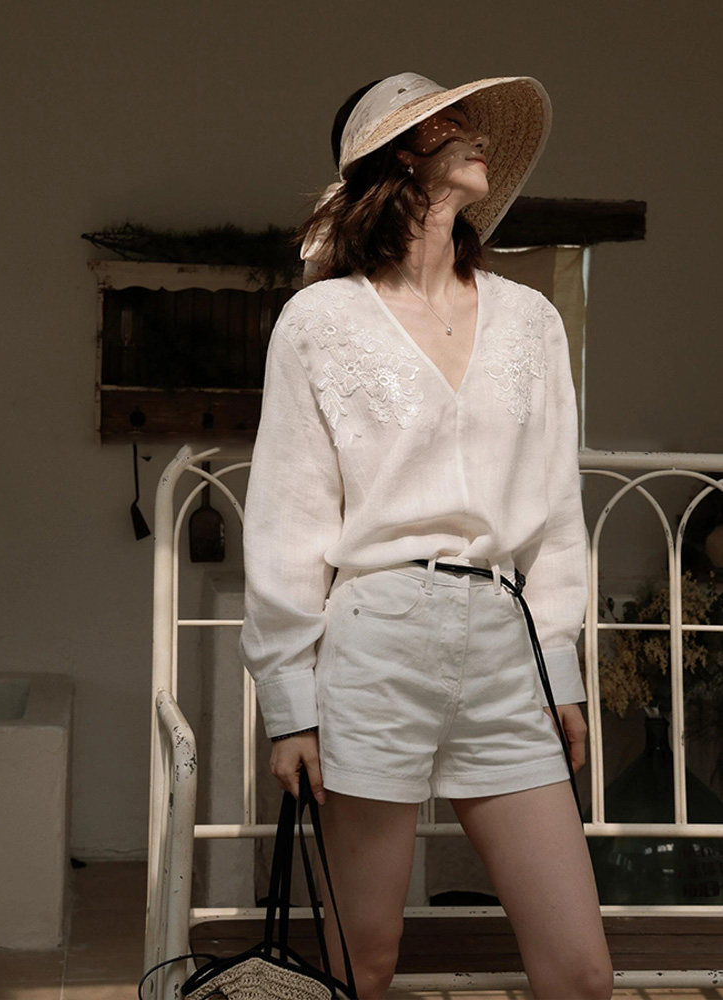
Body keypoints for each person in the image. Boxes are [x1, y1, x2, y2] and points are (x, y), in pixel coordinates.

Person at [238, 71, 614, 1000]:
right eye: (452, 123)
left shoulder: (529, 319)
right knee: (363, 961)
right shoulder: (319, 321)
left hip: (504, 645)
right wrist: (290, 702)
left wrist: (558, 668)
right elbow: (289, 516)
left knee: (581, 972)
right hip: (377, 641)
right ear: (400, 157)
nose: (479, 135)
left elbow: (555, 510)